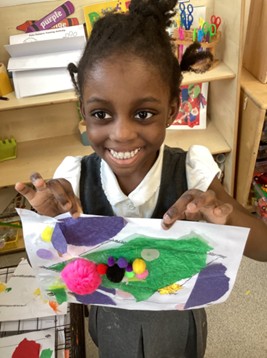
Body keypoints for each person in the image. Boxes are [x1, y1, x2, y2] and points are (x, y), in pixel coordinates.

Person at [15, 0, 267, 357]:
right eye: (101, 113)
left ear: (173, 109)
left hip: (179, 322)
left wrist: (224, 213)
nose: (121, 135)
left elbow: (263, 247)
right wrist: (46, 223)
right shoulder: (73, 178)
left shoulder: (193, 171)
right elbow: (44, 264)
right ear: (83, 112)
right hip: (112, 319)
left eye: (143, 113)